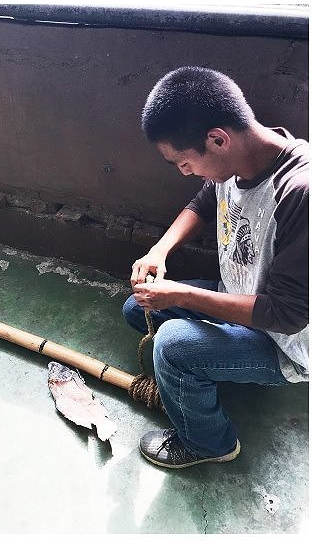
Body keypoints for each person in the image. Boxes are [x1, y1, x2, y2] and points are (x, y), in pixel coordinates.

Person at [123, 66, 308, 469]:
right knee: (138, 310)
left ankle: (211, 444)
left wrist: (183, 295)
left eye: (183, 162)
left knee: (171, 345)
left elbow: (289, 315)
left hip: (286, 344)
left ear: (217, 139)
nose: (183, 172)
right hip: (237, 299)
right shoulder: (243, 158)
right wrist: (160, 250)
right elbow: (206, 202)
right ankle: (215, 363)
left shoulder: (299, 194)